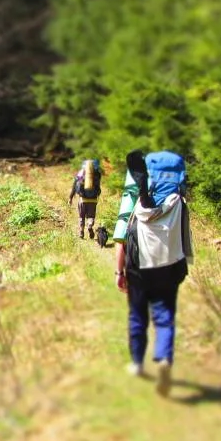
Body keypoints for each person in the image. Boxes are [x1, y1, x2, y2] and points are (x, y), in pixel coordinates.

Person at [114, 149, 193, 396]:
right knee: (165, 315)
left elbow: (122, 238)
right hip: (170, 267)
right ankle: (164, 359)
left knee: (137, 315)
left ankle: (137, 363)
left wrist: (119, 272)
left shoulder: (136, 203)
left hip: (139, 270)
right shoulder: (179, 202)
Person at [68, 158, 103, 240]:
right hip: (93, 200)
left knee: (82, 216)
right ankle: (90, 226)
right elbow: (98, 188)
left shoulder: (80, 174)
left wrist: (70, 198)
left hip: (82, 199)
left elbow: (74, 186)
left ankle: (81, 231)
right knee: (91, 216)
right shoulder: (97, 174)